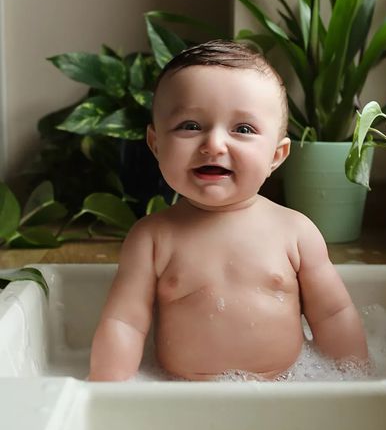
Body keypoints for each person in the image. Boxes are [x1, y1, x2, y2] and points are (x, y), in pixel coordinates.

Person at [89, 41, 368, 381]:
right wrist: (107, 392)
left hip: (287, 394)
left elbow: (333, 315)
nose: (214, 145)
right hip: (181, 398)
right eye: (191, 125)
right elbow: (125, 322)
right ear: (156, 144)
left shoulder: (295, 232)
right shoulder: (152, 238)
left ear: (276, 156)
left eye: (243, 129)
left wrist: (354, 379)